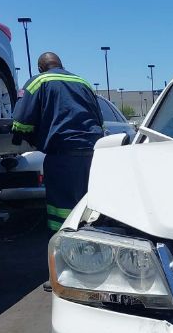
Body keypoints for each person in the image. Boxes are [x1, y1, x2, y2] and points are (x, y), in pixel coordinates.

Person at [11, 52, 104, 232]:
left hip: (62, 158)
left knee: (61, 209)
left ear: (40, 68)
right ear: (61, 64)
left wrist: (28, 138)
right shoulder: (83, 83)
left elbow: (21, 123)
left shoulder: (39, 81)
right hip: (92, 156)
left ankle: (63, 241)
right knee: (89, 206)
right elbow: (99, 121)